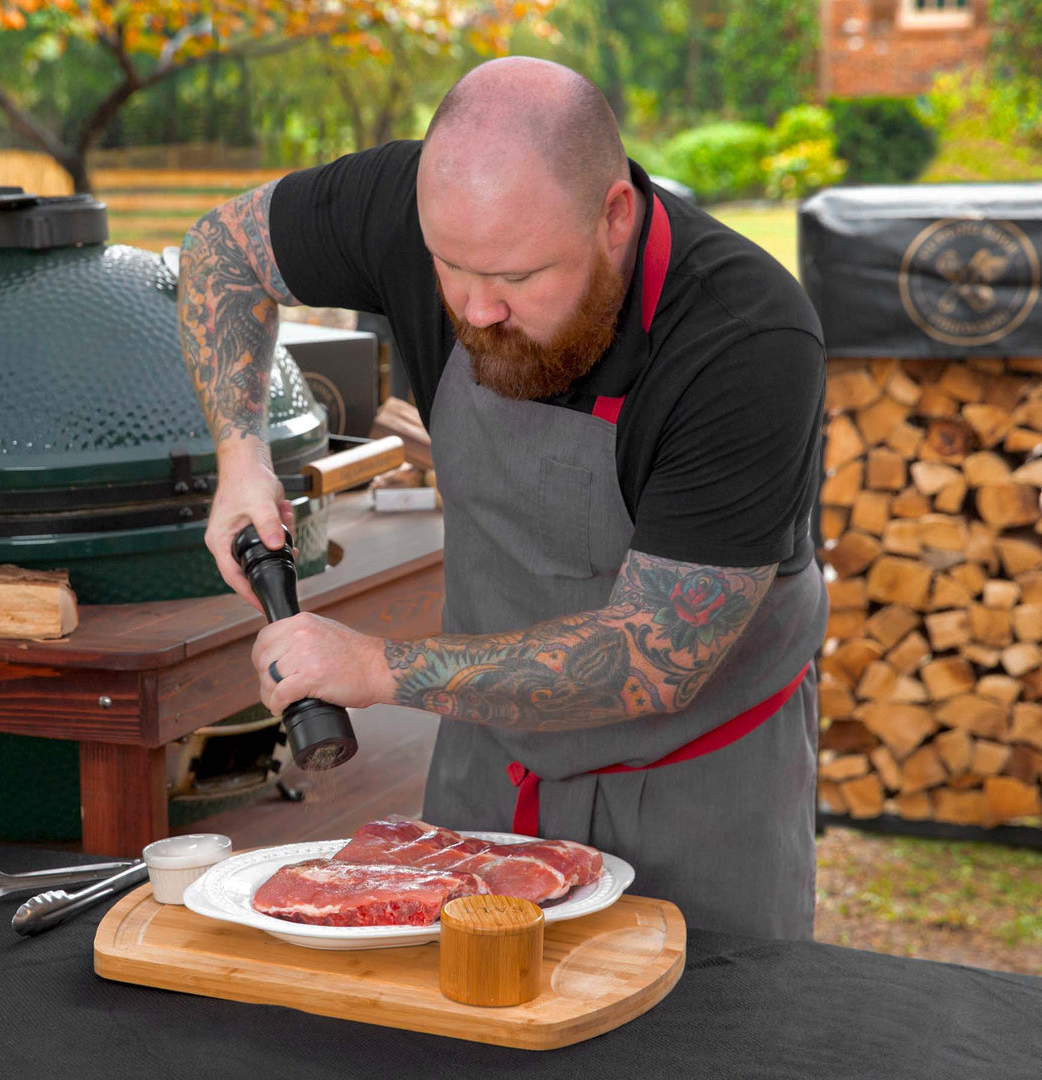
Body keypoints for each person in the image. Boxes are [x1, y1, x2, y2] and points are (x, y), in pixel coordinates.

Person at [179, 57, 828, 940]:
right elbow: (221, 248)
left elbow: (656, 653)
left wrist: (379, 669)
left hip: (694, 786)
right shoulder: (419, 204)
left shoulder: (744, 337)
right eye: (450, 267)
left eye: (520, 279)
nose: (477, 310)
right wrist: (241, 456)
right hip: (490, 760)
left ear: (614, 218)